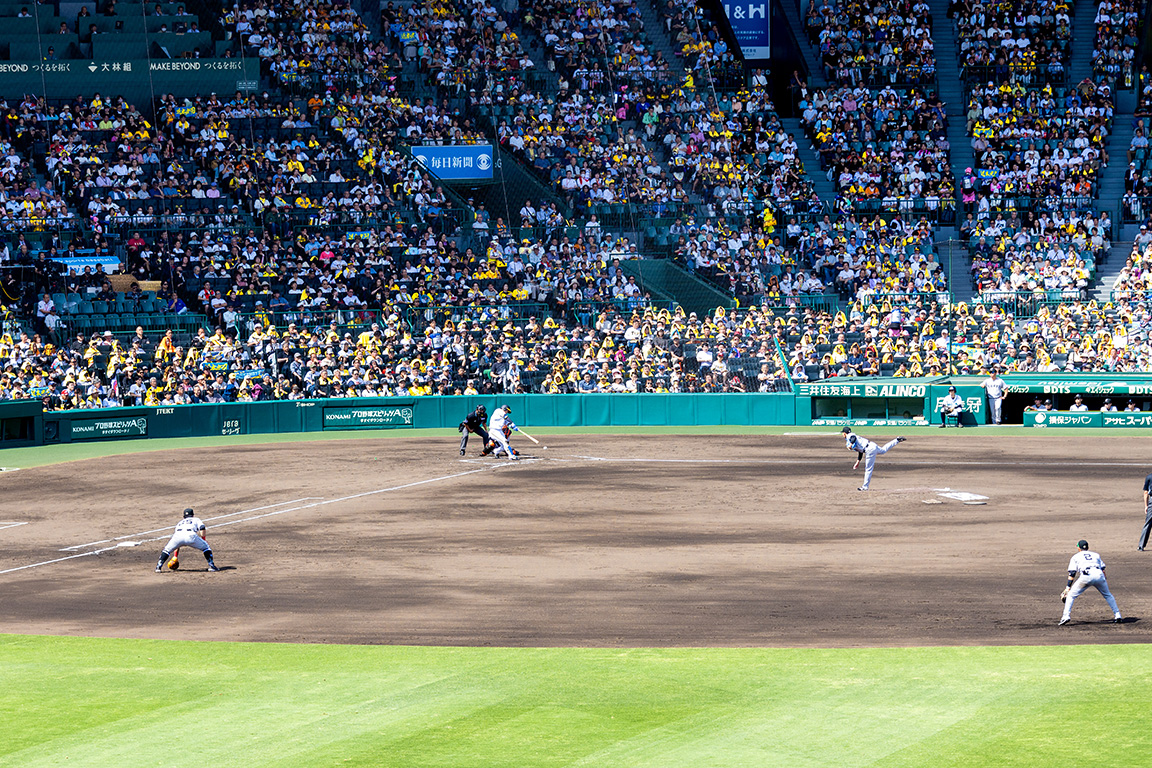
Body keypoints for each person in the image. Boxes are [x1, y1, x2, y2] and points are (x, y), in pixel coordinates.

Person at [1059, 540, 1122, 625]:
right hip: (1099, 575)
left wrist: (1068, 587)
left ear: (1078, 547)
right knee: (1108, 595)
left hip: (1086, 576)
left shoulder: (1075, 557)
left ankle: (1065, 617)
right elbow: (1103, 569)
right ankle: (1117, 615)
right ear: (1088, 547)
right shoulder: (1096, 555)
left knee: (1070, 596)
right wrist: (1103, 581)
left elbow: (1072, 573)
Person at [155, 508, 219, 572]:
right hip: (190, 536)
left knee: (166, 550)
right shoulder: (196, 519)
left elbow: (177, 545)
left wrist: (175, 556)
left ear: (184, 516)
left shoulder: (180, 522)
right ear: (193, 515)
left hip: (177, 537)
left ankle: (158, 567)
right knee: (206, 548)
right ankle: (211, 566)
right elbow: (202, 527)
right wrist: (204, 539)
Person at [842, 427, 906, 491]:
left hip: (870, 449)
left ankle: (865, 487)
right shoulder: (852, 437)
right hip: (872, 445)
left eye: (842, 433)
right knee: (883, 450)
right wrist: (858, 461)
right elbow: (860, 451)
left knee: (868, 468)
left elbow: (853, 438)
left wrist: (850, 444)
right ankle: (897, 440)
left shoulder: (849, 436)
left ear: (845, 433)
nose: (842, 435)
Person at [1139, 472, 1152, 552]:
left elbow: (1146, 493)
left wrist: (1146, 506)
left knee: (1148, 523)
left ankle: (1141, 545)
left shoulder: (1149, 477)